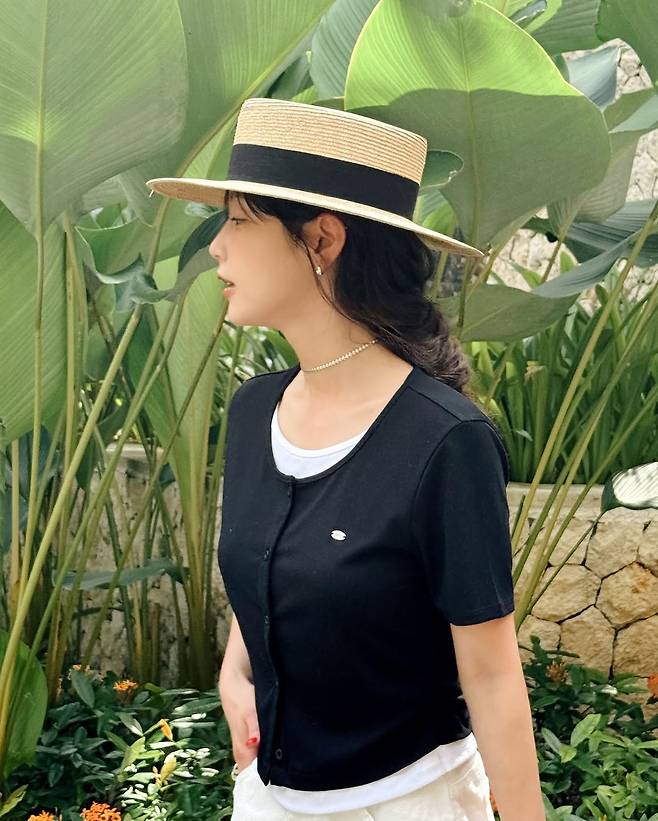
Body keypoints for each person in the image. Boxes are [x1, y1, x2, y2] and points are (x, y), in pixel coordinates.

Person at [146, 98, 545, 820]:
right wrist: (235, 671)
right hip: (267, 797)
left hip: (410, 800)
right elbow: (271, 558)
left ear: (322, 238)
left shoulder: (445, 442)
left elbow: (490, 675)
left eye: (239, 221)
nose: (217, 248)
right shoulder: (254, 411)